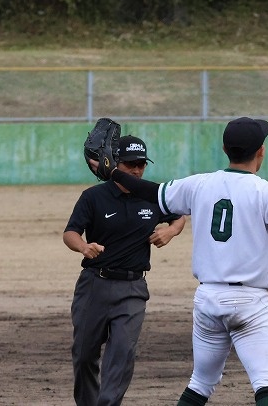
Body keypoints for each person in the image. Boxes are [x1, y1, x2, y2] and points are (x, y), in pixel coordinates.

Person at [96, 117, 268, 406]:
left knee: (200, 383)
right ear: (261, 151)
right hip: (249, 303)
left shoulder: (199, 184)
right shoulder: (266, 191)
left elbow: (151, 191)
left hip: (207, 300)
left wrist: (113, 172)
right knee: (267, 383)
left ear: (224, 149)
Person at [63, 135, 186, 406]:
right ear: (115, 163)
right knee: (84, 355)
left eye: (141, 164)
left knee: (121, 353)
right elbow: (70, 233)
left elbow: (179, 215)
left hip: (133, 288)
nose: (137, 170)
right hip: (94, 285)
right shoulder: (94, 197)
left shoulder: (152, 196)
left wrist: (171, 231)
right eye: (131, 164)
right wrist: (83, 247)